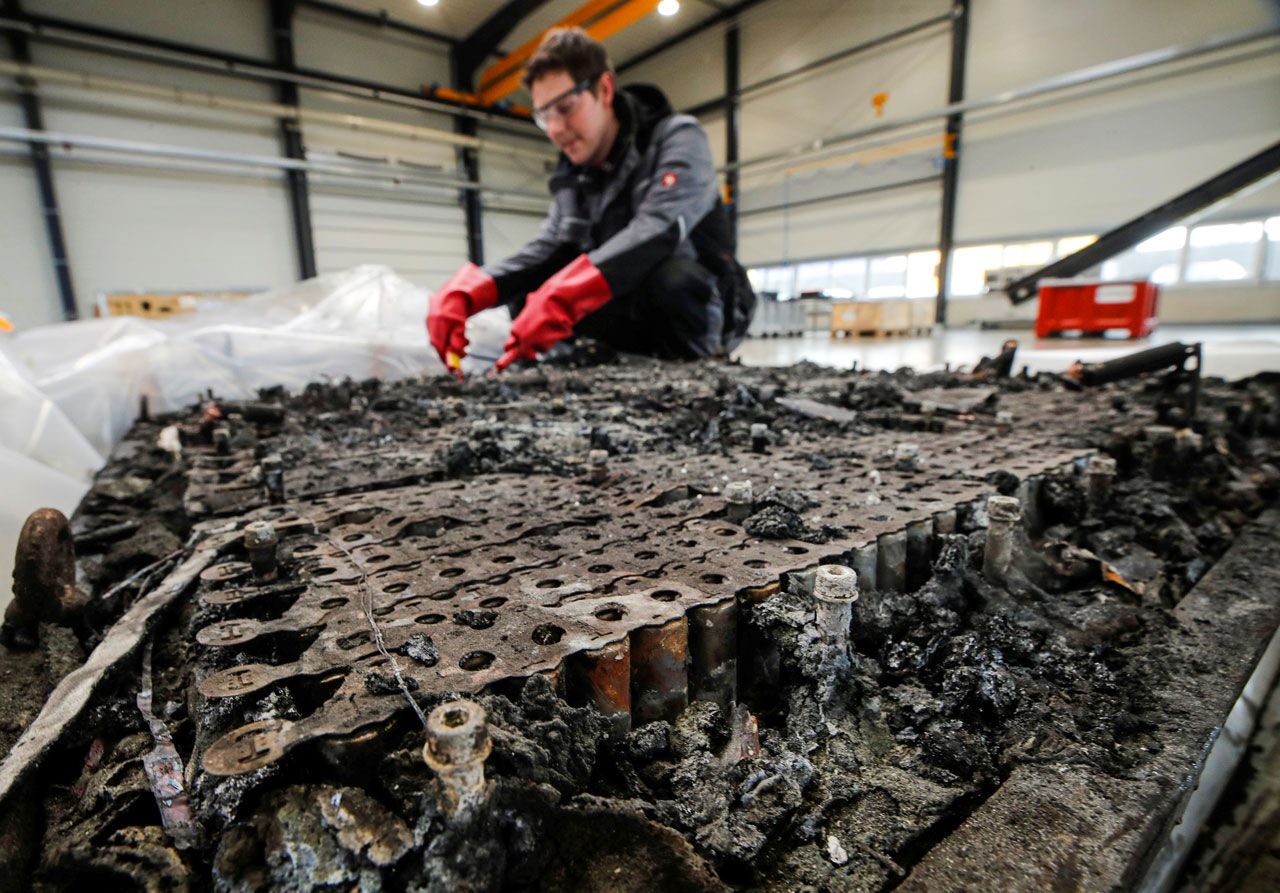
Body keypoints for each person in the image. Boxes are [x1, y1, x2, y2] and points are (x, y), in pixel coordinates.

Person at [427, 26, 755, 373]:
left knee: (673, 278)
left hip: (696, 310)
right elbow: (548, 248)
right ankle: (587, 372)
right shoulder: (574, 176)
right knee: (531, 291)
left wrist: (564, 297)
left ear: (605, 89)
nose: (555, 129)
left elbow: (660, 227)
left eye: (565, 108)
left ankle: (696, 373)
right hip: (627, 309)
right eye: (544, 116)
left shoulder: (677, 138)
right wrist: (476, 288)